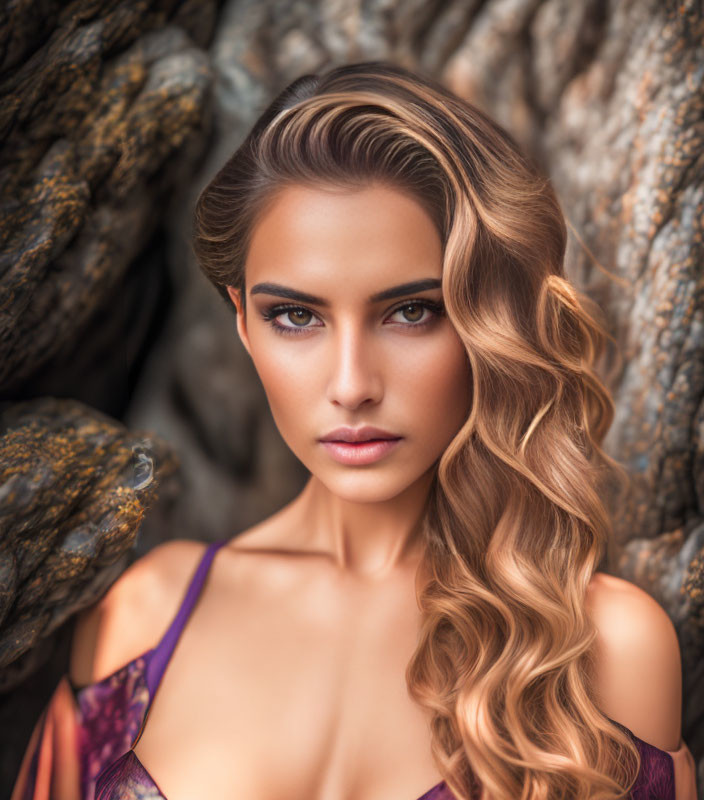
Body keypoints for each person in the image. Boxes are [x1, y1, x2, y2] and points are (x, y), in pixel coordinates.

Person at [10, 61, 698, 800]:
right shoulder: (140, 621)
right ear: (243, 320)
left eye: (411, 312)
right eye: (296, 316)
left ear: (489, 321)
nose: (351, 385)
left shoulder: (608, 651)